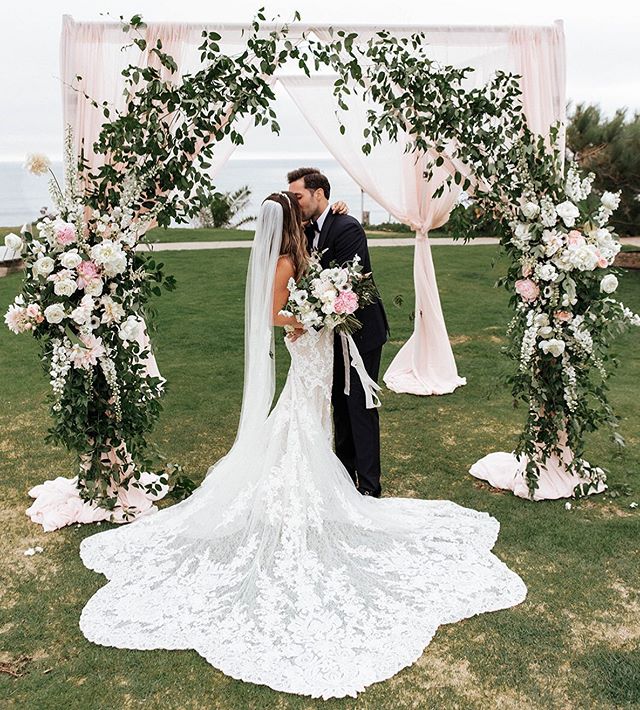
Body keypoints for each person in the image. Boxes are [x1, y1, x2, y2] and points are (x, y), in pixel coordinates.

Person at [79, 193, 526, 700]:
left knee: (311, 417)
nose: (300, 209)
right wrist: (305, 320)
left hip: (317, 349)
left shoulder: (304, 244)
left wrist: (318, 309)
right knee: (299, 421)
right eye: (294, 207)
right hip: (309, 347)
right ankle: (302, 491)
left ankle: (322, 486)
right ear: (290, 219)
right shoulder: (285, 259)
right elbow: (273, 314)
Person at [288, 168, 389, 497]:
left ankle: (370, 487)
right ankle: (345, 479)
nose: (294, 202)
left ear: (318, 194)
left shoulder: (346, 227)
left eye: (298, 196)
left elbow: (345, 282)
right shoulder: (306, 230)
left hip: (359, 332)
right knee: (340, 405)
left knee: (360, 406)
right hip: (333, 334)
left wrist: (308, 319)